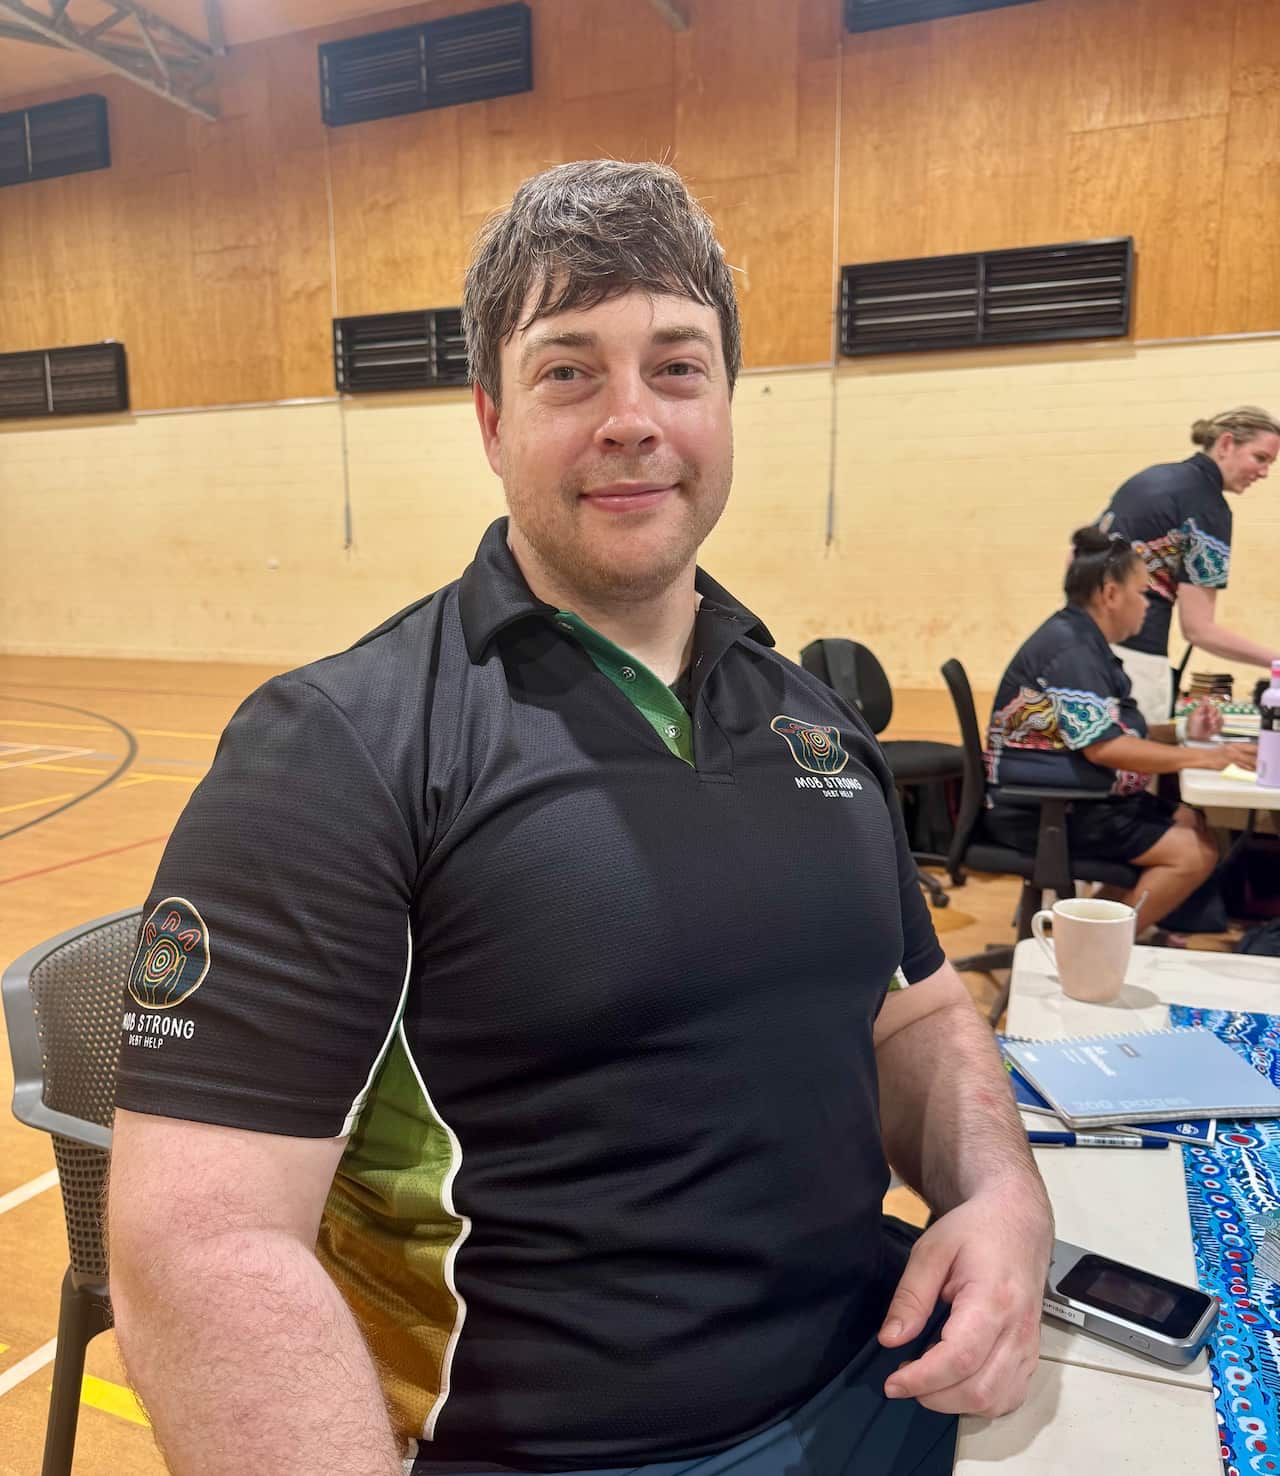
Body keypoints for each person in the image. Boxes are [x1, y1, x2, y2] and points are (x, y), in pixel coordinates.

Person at [108, 160, 1052, 1476]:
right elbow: (201, 1250)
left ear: (726, 402)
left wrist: (1002, 1195)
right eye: (569, 371)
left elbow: (923, 1012)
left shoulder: (814, 720)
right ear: (490, 418)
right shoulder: (337, 751)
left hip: (889, 1382)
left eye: (676, 367)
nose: (632, 418)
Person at [985, 527, 1258, 930]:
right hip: (1044, 811)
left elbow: (1112, 730)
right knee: (1193, 852)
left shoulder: (1082, 640)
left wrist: (1184, 734)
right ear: (1111, 594)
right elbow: (1105, 749)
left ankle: (1085, 933)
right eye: (1143, 592)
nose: (1148, 605)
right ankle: (1090, 953)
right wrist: (1211, 755)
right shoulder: (1072, 650)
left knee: (1190, 820)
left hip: (1076, 799)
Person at [1096, 406, 1280, 724]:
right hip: (1137, 657)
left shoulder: (1147, 478)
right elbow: (1199, 629)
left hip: (1082, 647)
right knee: (1140, 765)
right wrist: (1276, 661)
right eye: (1260, 458)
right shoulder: (1209, 509)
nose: (1264, 473)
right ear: (1225, 445)